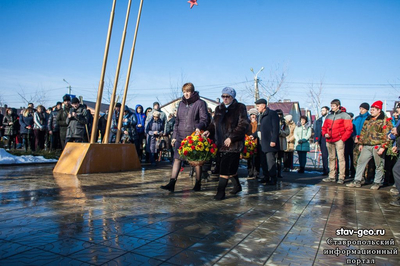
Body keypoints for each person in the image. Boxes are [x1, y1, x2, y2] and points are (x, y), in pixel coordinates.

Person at [161, 83, 209, 192]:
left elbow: (204, 119)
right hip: (180, 136)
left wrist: (198, 128)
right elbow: (177, 121)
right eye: (184, 92)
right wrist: (174, 136)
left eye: (187, 92)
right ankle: (172, 183)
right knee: (177, 159)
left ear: (192, 92)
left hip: (193, 137)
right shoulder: (181, 104)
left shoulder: (200, 103)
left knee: (196, 161)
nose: (186, 94)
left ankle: (198, 183)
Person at [203, 87, 249, 200]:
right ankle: (237, 186)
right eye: (223, 96)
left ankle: (220, 192)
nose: (225, 98)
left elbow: (243, 124)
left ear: (232, 97)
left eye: (227, 96)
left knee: (224, 168)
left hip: (233, 144)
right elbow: (214, 123)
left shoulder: (240, 107)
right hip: (220, 143)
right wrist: (209, 130)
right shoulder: (219, 108)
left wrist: (232, 138)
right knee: (231, 169)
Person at [347, 101, 393, 189]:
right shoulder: (368, 119)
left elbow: (386, 135)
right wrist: (361, 143)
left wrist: (383, 147)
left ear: (379, 110)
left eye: (373, 110)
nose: (371, 111)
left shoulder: (384, 120)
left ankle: (377, 182)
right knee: (360, 162)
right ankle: (357, 180)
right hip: (367, 145)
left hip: (378, 145)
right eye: (371, 109)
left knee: (379, 165)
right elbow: (363, 132)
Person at [322, 99, 353, 184]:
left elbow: (349, 129)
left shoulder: (345, 116)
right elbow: (324, 128)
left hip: (339, 140)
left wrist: (342, 139)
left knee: (341, 158)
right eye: (331, 106)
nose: (332, 107)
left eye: (333, 106)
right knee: (331, 158)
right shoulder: (329, 116)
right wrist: (325, 134)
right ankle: (332, 176)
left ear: (338, 106)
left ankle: (341, 176)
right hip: (329, 139)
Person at [254, 98, 280, 185]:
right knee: (263, 161)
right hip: (262, 143)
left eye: (258, 106)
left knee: (270, 161)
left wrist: (273, 140)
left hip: (270, 142)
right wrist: (253, 135)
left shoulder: (272, 114)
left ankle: (273, 178)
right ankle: (266, 176)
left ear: (263, 105)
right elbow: (259, 130)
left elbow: (276, 128)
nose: (257, 108)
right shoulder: (260, 116)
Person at [313, 106, 330, 175]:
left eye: (324, 110)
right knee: (324, 155)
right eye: (321, 110)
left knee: (332, 155)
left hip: (329, 137)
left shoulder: (330, 118)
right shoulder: (319, 120)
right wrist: (316, 139)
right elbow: (316, 130)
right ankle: (325, 169)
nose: (322, 112)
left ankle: (333, 170)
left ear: (327, 111)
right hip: (322, 138)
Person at [276, 109, 290, 178]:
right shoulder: (274, 121)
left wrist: (281, 133)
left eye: (280, 114)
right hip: (275, 142)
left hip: (281, 142)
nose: (279, 116)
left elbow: (287, 132)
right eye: (278, 114)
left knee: (279, 158)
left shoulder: (284, 123)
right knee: (274, 158)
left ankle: (279, 172)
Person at [246, 108, 259, 179]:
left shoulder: (258, 123)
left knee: (256, 159)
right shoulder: (248, 123)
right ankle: (250, 172)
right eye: (251, 115)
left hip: (256, 142)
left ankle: (256, 173)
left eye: (254, 114)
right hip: (249, 143)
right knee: (249, 159)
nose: (253, 116)